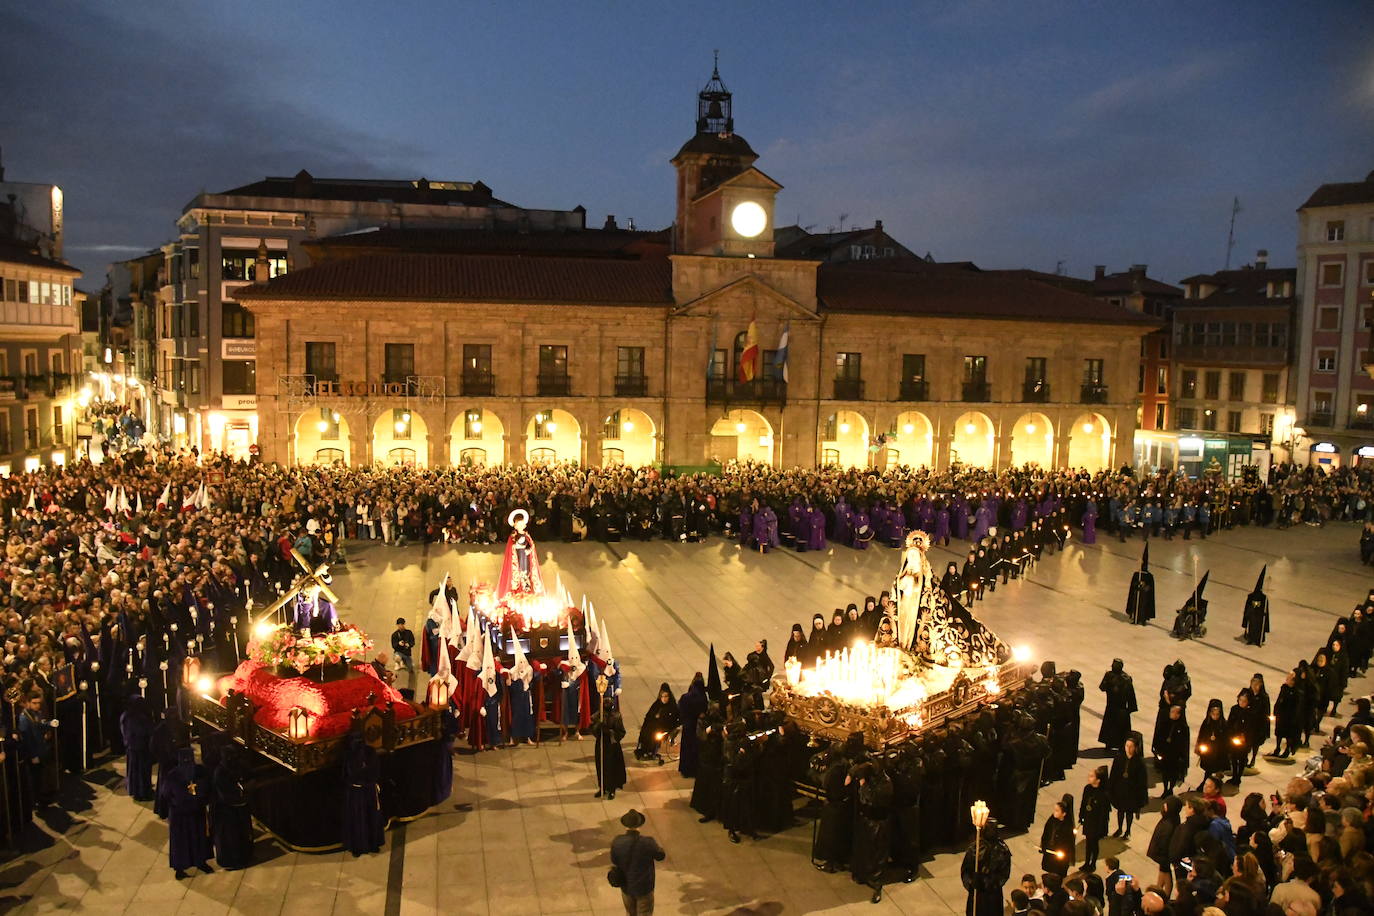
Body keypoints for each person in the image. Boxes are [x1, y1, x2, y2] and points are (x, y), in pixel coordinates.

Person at [165, 748, 213, 879]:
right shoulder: (173, 775)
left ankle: (201, 861)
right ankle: (179, 868)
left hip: (197, 812)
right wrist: (178, 803)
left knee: (199, 838)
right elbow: (166, 794)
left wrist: (202, 799)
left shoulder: (200, 771)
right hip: (180, 815)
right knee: (181, 842)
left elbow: (208, 786)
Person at [609, 809, 665, 916]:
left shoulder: (617, 841)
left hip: (626, 885)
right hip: (644, 886)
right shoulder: (647, 842)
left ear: (625, 825)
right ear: (639, 825)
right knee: (645, 913)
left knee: (630, 913)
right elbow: (660, 856)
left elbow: (614, 860)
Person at [212, 745, 253, 870]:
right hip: (227, 810)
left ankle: (244, 857)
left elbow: (247, 776)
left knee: (243, 834)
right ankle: (232, 861)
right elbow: (224, 792)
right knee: (231, 837)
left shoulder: (238, 766)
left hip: (240, 807)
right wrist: (239, 790)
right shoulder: (220, 772)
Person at [960, 816, 1011, 916]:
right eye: (989, 828)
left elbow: (1005, 873)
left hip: (993, 893)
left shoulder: (1002, 850)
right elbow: (965, 870)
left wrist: (993, 881)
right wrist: (971, 881)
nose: (991, 831)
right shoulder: (975, 848)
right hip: (977, 892)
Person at [1108, 735, 1147, 839]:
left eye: (1131, 746)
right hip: (1120, 790)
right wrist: (1111, 788)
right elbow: (1113, 774)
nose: (1128, 749)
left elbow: (1142, 781)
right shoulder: (1119, 758)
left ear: (1135, 748)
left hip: (1132, 792)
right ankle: (1119, 828)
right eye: (1126, 746)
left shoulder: (1139, 762)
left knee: (1129, 812)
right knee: (1120, 811)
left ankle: (1128, 830)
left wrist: (1141, 797)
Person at [634, 683, 681, 763]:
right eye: (662, 696)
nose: (664, 699)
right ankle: (644, 749)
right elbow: (649, 715)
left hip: (666, 727)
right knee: (646, 730)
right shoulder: (657, 704)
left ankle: (651, 750)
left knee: (653, 733)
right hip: (655, 725)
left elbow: (676, 719)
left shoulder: (672, 706)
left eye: (666, 696)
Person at [592, 697, 627, 800]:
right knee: (601, 766)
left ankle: (611, 789)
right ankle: (602, 787)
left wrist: (611, 732)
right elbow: (592, 727)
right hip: (601, 743)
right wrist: (598, 726)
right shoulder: (599, 715)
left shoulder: (616, 716)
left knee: (611, 767)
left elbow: (621, 731)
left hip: (612, 746)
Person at [1098, 660, 1136, 751]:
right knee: (1111, 726)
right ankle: (1111, 743)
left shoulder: (1124, 678)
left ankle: (1116, 744)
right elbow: (1102, 687)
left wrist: (1131, 707)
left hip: (1119, 707)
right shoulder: (1112, 676)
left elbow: (1130, 694)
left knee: (1118, 727)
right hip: (1113, 706)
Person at [1079, 766, 1110, 872]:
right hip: (1088, 820)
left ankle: (1093, 864)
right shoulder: (1087, 788)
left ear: (1098, 780)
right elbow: (1083, 803)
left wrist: (1100, 829)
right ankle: (1087, 862)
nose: (1089, 778)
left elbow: (1103, 814)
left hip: (1097, 823)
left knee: (1094, 844)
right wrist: (1081, 816)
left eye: (1092, 776)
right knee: (1088, 843)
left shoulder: (1103, 794)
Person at [676, 673, 707, 777]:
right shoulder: (702, 698)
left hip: (687, 725)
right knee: (695, 748)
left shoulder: (685, 697)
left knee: (686, 747)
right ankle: (694, 769)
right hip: (697, 726)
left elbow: (680, 710)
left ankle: (685, 769)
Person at [1040, 794, 1075, 876]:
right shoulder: (1051, 821)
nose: (1054, 812)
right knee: (1050, 870)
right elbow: (1046, 834)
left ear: (1064, 814)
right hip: (1050, 852)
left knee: (1058, 873)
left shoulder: (1067, 826)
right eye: (1054, 810)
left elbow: (1069, 843)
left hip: (1059, 856)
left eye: (1057, 811)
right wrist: (1044, 845)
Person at [1195, 699, 1227, 787]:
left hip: (1218, 751)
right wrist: (1200, 746)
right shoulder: (1206, 723)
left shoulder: (1223, 724)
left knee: (1215, 768)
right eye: (1213, 714)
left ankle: (1211, 782)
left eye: (1217, 714)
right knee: (1208, 768)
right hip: (1209, 750)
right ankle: (1207, 781)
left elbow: (1225, 738)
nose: (1215, 716)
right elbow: (1201, 735)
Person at [1125, 545, 1155, 626]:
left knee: (1143, 607)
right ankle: (1135, 618)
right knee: (1136, 606)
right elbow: (1133, 584)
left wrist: (1145, 586)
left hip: (1145, 596)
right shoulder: (1137, 574)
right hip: (1137, 594)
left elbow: (1150, 587)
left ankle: (1143, 619)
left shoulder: (1149, 576)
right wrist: (1138, 584)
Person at [1240, 566, 1269, 646]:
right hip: (1253, 616)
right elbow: (1248, 606)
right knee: (1252, 628)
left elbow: (1265, 610)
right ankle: (1251, 638)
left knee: (1258, 628)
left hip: (1259, 617)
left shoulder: (1264, 598)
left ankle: (1258, 640)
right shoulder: (1251, 596)